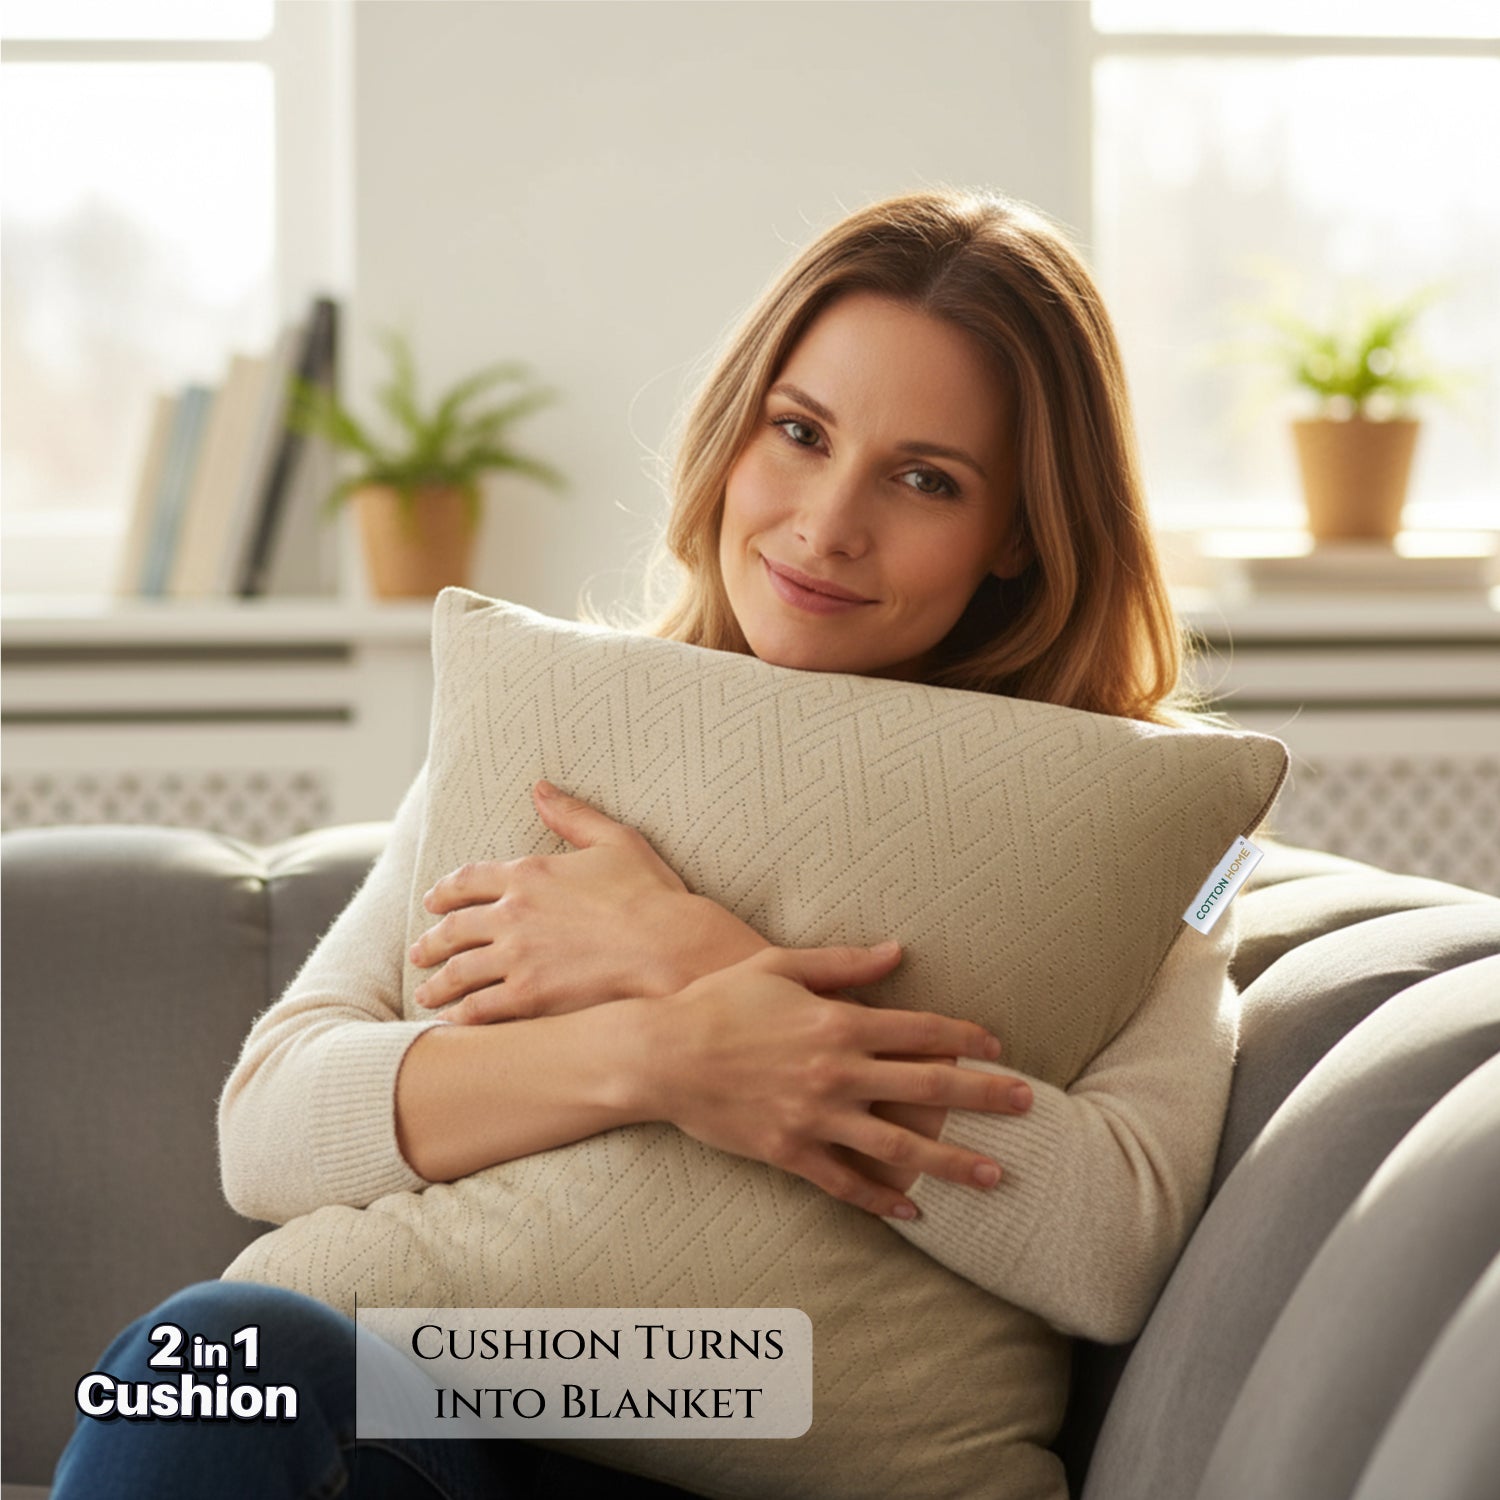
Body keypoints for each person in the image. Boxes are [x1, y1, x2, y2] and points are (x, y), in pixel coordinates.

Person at [52, 186, 1240, 1499]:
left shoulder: (1125, 832)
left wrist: (697, 959)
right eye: (800, 433)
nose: (827, 523)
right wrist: (657, 1057)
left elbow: (1114, 1244)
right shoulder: (557, 729)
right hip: (452, 1441)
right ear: (736, 432)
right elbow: (270, 1125)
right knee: (217, 1359)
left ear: (1018, 529)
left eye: (924, 478)